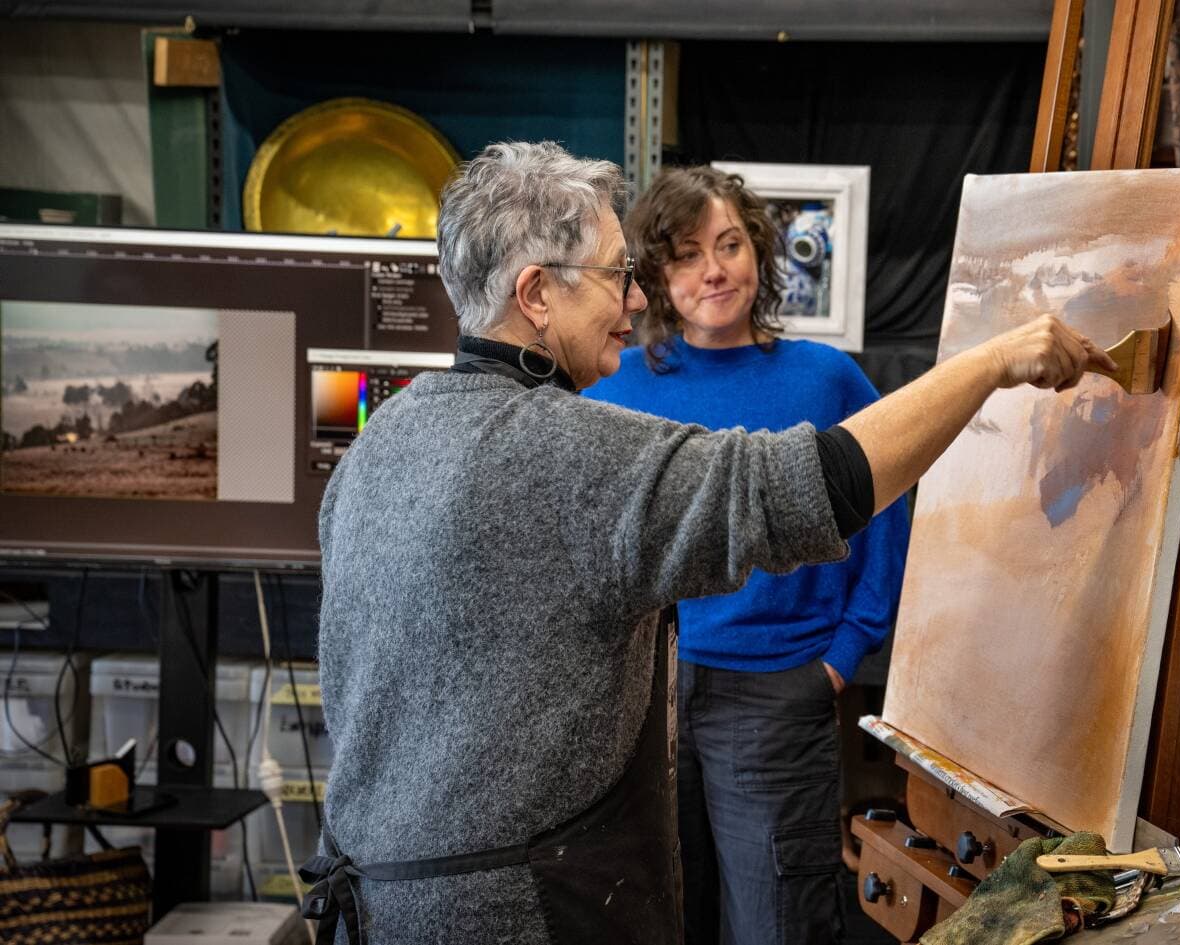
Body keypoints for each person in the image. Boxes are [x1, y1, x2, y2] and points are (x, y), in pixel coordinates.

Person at [309, 140, 1114, 945]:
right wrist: (995, 360)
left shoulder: (383, 439)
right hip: (520, 914)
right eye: (615, 274)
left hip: (378, 910)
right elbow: (810, 486)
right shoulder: (571, 448)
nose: (631, 301)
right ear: (537, 294)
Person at [585, 166, 909, 945]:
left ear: (760, 252)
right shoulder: (617, 388)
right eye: (689, 254)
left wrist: (845, 651)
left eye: (730, 244)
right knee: (659, 916)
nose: (715, 270)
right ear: (658, 276)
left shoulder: (826, 379)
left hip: (774, 691)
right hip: (643, 697)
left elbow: (891, 511)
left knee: (778, 923)